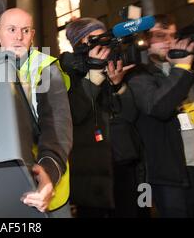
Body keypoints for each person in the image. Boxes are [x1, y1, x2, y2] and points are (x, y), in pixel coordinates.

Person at [126, 14, 194, 218]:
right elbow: (158, 107)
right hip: (174, 176)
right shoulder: (139, 76)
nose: (169, 41)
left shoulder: (190, 72)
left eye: (173, 35)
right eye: (160, 35)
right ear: (145, 43)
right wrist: (182, 67)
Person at [60, 18, 144, 218]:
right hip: (92, 173)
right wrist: (94, 77)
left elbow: (131, 116)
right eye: (94, 39)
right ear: (79, 44)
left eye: (104, 37)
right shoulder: (65, 72)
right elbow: (74, 115)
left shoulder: (113, 65)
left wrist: (117, 85)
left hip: (126, 165)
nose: (102, 44)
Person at [0, 8, 73, 217]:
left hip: (48, 189)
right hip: (6, 190)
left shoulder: (45, 68)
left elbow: (58, 129)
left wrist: (48, 172)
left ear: (32, 35)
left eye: (25, 30)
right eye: (11, 29)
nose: (19, 36)